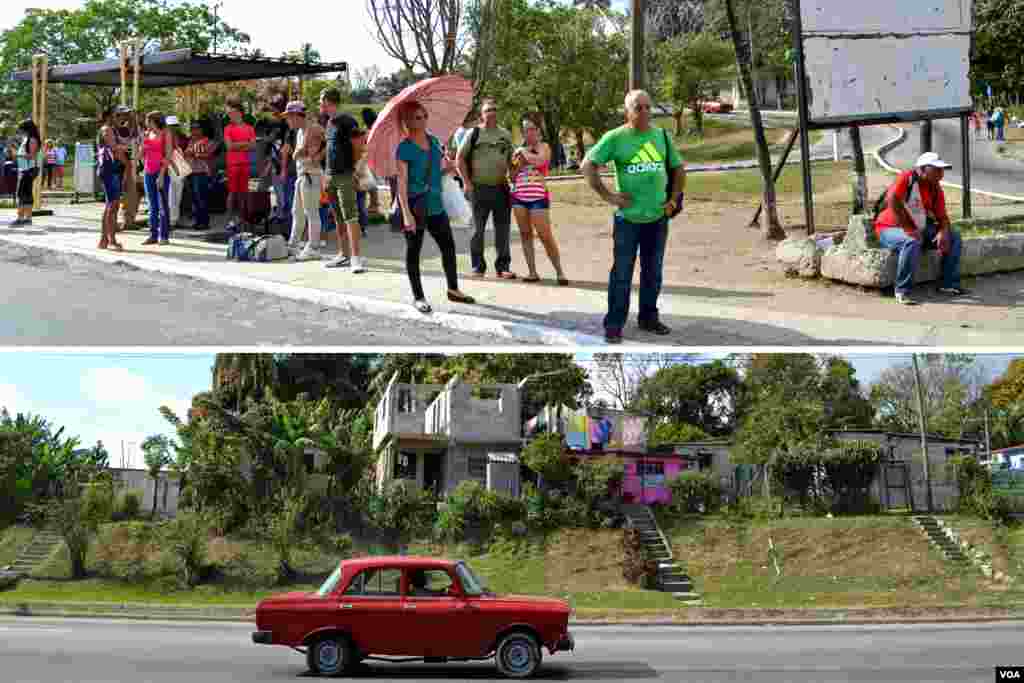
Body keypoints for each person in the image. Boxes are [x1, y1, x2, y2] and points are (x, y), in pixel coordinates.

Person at [582, 89, 685, 344]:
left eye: (648, 107)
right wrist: (610, 197)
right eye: (639, 108)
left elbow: (679, 168)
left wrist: (672, 200)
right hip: (628, 220)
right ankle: (615, 324)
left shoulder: (660, 135)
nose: (645, 112)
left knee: (653, 272)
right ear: (628, 112)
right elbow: (587, 165)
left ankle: (649, 318)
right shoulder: (615, 138)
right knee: (622, 274)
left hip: (657, 218)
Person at [396, 100, 475, 313]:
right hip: (415, 206)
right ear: (407, 122)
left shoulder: (433, 142)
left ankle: (453, 289)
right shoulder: (404, 148)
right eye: (417, 118)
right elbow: (401, 184)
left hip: (435, 205)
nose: (422, 121)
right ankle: (418, 297)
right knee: (414, 252)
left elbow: (434, 175)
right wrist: (406, 214)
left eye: (424, 116)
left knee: (448, 247)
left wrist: (448, 169)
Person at [875, 151, 967, 304]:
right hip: (889, 228)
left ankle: (949, 284)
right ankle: (902, 290)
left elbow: (942, 216)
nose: (941, 173)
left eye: (942, 169)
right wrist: (908, 229)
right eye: (936, 169)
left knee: (954, 237)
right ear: (923, 169)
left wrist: (943, 232)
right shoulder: (907, 177)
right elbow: (892, 200)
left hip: (918, 228)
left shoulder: (935, 188)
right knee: (911, 241)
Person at [456, 98, 516, 279]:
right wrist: (466, 183)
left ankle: (503, 267)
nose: (492, 113)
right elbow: (459, 159)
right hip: (478, 188)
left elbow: (511, 160)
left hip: (501, 187)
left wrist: (517, 167)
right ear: (482, 114)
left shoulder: (505, 134)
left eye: (495, 109)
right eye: (488, 110)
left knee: (503, 229)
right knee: (477, 230)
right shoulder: (473, 133)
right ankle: (478, 266)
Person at [510, 113, 568, 285]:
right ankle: (532, 272)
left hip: (538, 197)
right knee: (525, 234)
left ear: (538, 131)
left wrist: (524, 155)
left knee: (545, 235)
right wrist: (517, 165)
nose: (529, 133)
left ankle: (560, 272)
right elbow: (511, 175)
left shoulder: (544, 147)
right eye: (525, 130)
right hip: (519, 197)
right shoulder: (517, 151)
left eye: (532, 129)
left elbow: (541, 160)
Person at [321, 87, 366, 272]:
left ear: (330, 102)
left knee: (350, 217)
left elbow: (359, 145)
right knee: (339, 218)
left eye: (321, 101)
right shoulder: (329, 123)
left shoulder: (348, 121)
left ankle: (356, 258)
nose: (319, 104)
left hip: (346, 175)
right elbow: (330, 151)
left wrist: (355, 170)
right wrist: (326, 175)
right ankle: (343, 255)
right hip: (331, 176)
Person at [284, 100, 326, 261]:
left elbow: (325, 145)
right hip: (303, 174)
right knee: (298, 212)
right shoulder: (301, 131)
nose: (288, 120)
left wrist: (315, 156)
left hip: (311, 175)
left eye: (289, 117)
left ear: (296, 116)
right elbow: (297, 154)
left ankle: (313, 247)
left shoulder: (313, 128)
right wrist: (301, 153)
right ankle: (293, 245)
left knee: (311, 212)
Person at [141, 110, 174, 245]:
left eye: (147, 120)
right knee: (152, 204)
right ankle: (153, 234)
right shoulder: (147, 134)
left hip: (161, 173)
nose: (145, 122)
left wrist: (161, 175)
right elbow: (142, 153)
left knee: (162, 204)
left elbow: (168, 155)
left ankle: (164, 235)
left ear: (153, 121)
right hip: (148, 172)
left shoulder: (166, 134)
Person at [223, 100, 256, 232]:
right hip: (232, 164)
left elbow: (253, 146)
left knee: (244, 194)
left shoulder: (249, 128)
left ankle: (243, 220)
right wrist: (245, 144)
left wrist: (237, 144)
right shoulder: (228, 128)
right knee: (232, 193)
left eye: (231, 112)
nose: (229, 115)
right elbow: (229, 146)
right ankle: (229, 220)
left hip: (245, 164)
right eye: (228, 113)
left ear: (239, 113)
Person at [96, 124, 126, 251]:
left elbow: (126, 163)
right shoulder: (107, 148)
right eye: (106, 133)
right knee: (111, 206)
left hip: (114, 176)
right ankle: (107, 239)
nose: (109, 135)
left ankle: (107, 239)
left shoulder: (113, 147)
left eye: (111, 132)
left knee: (112, 206)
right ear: (102, 136)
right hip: (109, 175)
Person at [114, 106, 143, 231]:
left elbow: (135, 135)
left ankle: (129, 220)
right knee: (116, 196)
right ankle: (113, 222)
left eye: (127, 115)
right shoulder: (114, 130)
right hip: (118, 166)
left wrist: (134, 120)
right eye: (123, 115)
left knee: (132, 194)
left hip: (130, 166)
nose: (126, 117)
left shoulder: (128, 129)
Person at [10, 119, 42, 227]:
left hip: (29, 170)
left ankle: (22, 218)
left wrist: (17, 155)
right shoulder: (28, 139)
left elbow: (32, 156)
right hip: (26, 169)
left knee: (22, 194)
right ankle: (26, 218)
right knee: (26, 194)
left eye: (23, 129)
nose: (21, 132)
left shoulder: (32, 140)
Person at [184, 120, 213, 230]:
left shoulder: (206, 141)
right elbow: (186, 153)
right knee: (194, 198)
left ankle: (204, 222)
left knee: (201, 198)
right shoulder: (191, 141)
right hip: (191, 172)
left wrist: (195, 155)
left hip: (201, 172)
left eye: (197, 128)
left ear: (202, 129)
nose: (194, 130)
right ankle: (197, 221)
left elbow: (209, 155)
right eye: (192, 128)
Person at [164, 115, 189, 227]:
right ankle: (169, 220)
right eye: (170, 126)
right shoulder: (164, 137)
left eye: (174, 126)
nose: (173, 128)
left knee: (177, 194)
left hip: (178, 166)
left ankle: (174, 219)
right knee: (171, 194)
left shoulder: (181, 138)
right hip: (169, 166)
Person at [360, 107, 382, 216]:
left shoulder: (370, 129)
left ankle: (374, 206)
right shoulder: (378, 127)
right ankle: (374, 205)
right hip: (374, 157)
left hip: (369, 157)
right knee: (371, 183)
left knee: (370, 183)